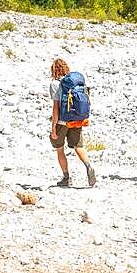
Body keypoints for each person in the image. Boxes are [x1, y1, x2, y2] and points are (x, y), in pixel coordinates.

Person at [48, 58, 97, 188]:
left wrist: (53, 127)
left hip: (62, 121)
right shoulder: (75, 84)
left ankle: (66, 178)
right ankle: (89, 166)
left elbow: (56, 108)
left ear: (54, 70)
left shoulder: (55, 84)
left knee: (59, 149)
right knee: (78, 147)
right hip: (76, 120)